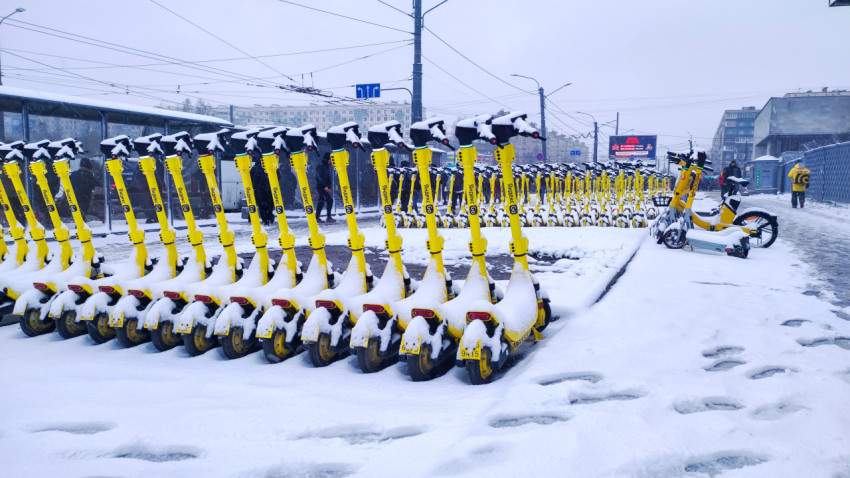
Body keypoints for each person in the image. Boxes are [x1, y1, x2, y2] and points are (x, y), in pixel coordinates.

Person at [315, 152, 334, 222]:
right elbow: (320, 178)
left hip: (324, 187)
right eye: (330, 159)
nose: (331, 161)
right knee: (328, 200)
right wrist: (325, 186)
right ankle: (327, 217)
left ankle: (317, 217)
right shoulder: (321, 167)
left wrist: (329, 187)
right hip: (321, 187)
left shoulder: (326, 167)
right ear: (327, 159)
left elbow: (327, 178)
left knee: (322, 201)